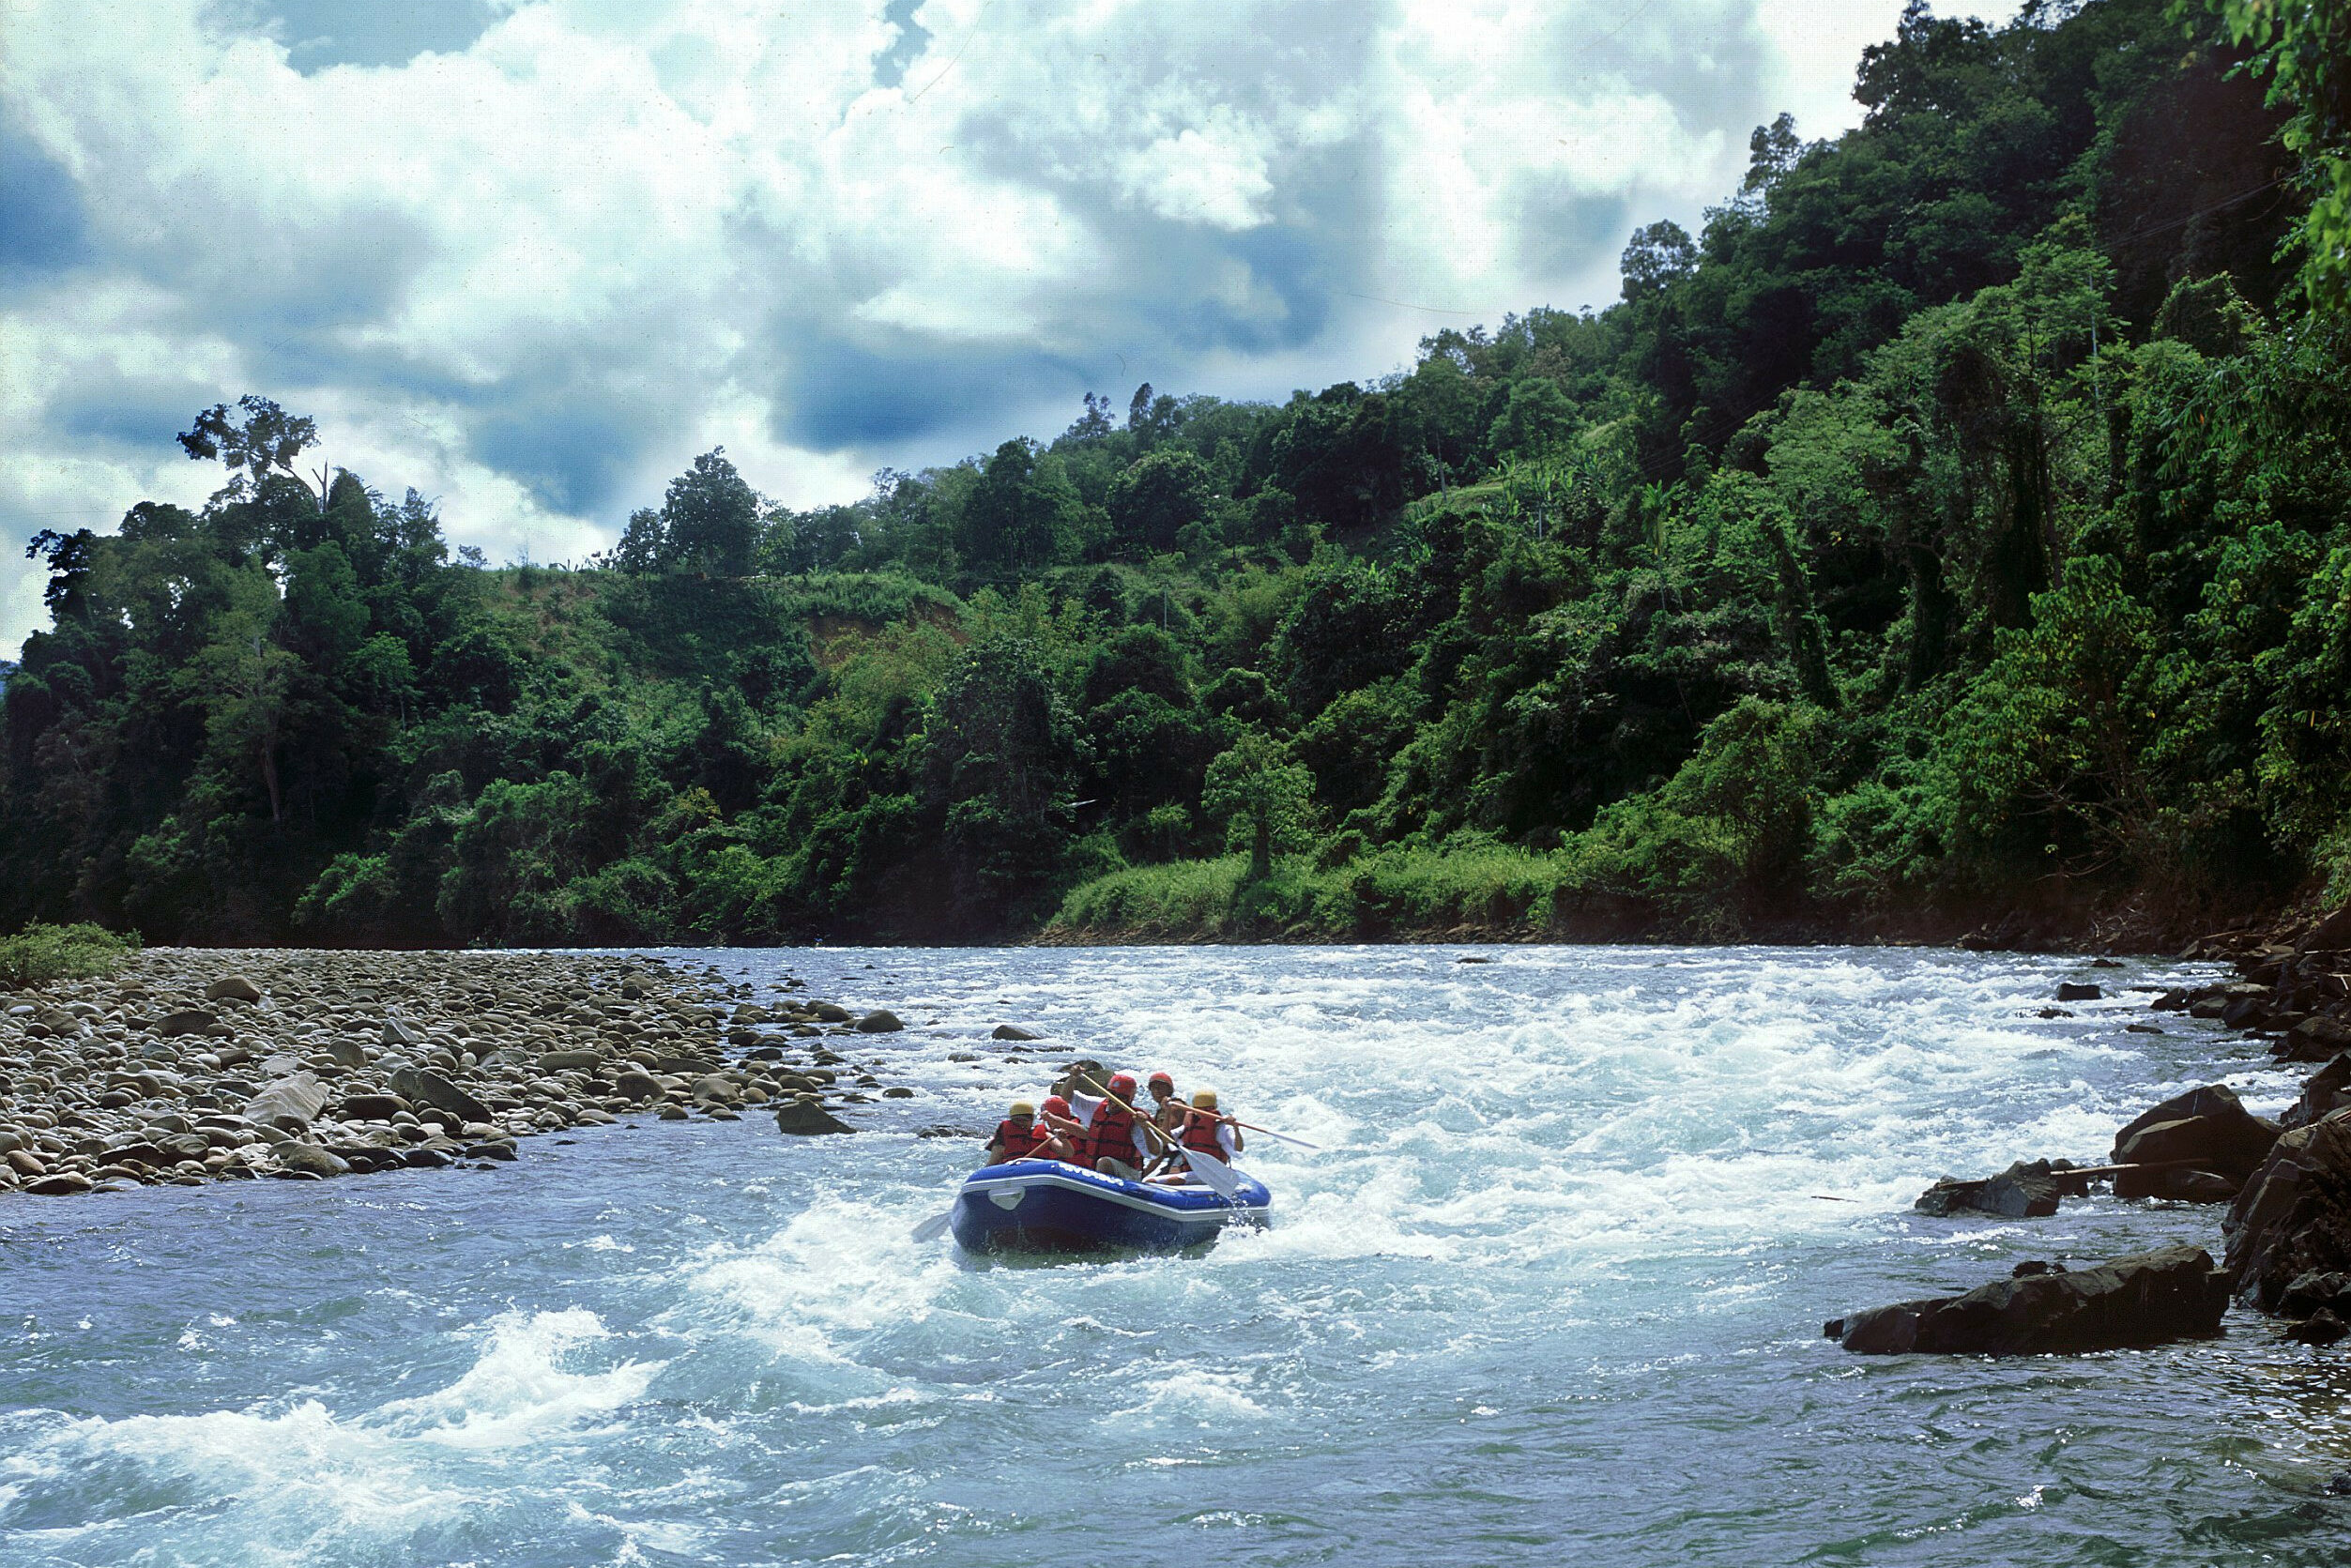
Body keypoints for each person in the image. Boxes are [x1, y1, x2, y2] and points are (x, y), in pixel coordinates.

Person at [1084, 1072, 1153, 1180]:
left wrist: (1145, 1128)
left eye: (1121, 1097)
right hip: (1097, 1167)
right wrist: (1073, 1078)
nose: (1115, 1100)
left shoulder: (1135, 1120)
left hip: (1129, 1173)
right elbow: (1068, 1097)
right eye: (1112, 1094)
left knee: (1104, 1163)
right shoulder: (1097, 1106)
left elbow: (1153, 1153)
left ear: (1130, 1099)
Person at [1034, 1094, 1089, 1165]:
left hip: (1084, 1169)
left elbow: (1087, 1135)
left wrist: (1064, 1139)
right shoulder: (1047, 1134)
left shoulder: (1081, 1127)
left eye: (1048, 1119)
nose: (1047, 1122)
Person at [985, 1100, 1043, 1164]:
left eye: (1024, 1120)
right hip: (1011, 1166)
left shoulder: (1042, 1133)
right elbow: (994, 1160)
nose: (1021, 1123)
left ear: (1032, 1119)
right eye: (1017, 1120)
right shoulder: (1004, 1134)